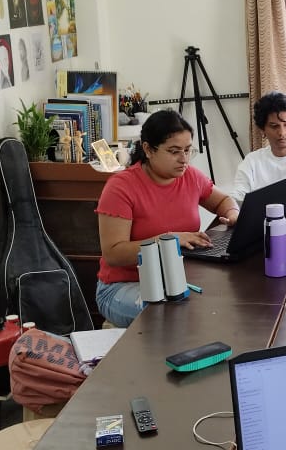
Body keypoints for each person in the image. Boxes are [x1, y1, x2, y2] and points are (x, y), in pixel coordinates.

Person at [94, 110, 239, 327]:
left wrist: (232, 214)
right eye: (174, 151)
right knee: (176, 314)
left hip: (175, 281)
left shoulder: (190, 176)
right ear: (148, 149)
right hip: (123, 286)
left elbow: (223, 201)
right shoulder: (121, 187)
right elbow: (113, 253)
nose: (184, 159)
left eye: (188, 150)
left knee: (219, 303)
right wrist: (167, 241)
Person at [231, 91, 286, 203]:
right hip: (264, 218)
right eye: (274, 126)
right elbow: (237, 196)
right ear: (263, 130)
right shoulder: (252, 161)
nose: (282, 132)